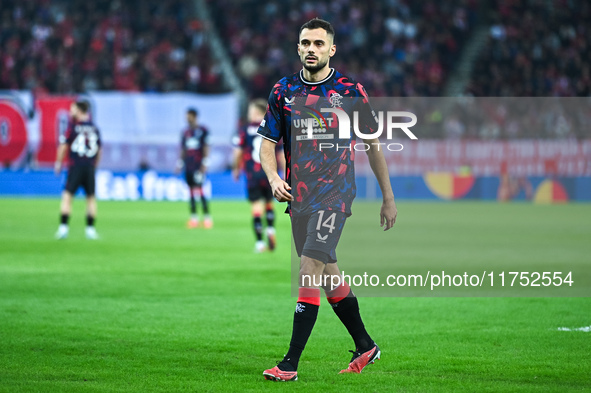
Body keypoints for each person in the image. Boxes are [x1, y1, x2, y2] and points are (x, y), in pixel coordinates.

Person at [258, 18, 397, 381]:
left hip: (335, 195)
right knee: (328, 275)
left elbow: (372, 145)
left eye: (319, 44)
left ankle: (289, 364)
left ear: (331, 49)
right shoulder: (283, 91)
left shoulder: (350, 92)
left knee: (307, 269)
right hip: (298, 197)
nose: (311, 49)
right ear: (298, 47)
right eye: (305, 43)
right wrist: (273, 177)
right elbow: (267, 143)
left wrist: (388, 197)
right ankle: (366, 345)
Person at [232, 99, 284, 253]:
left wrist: (236, 168)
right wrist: (286, 173)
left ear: (256, 112)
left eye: (250, 111)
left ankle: (260, 243)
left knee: (256, 207)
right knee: (269, 203)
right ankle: (271, 230)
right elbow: (281, 154)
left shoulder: (244, 130)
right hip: (270, 173)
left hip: (252, 174)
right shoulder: (273, 128)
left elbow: (238, 152)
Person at [54, 101, 102, 240]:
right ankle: (90, 230)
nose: (70, 112)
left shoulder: (72, 127)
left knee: (67, 197)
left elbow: (63, 146)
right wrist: (95, 166)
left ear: (80, 111)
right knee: (91, 199)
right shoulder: (94, 128)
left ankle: (63, 228)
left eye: (73, 109)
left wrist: (58, 163)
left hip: (75, 166)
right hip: (89, 167)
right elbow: (99, 150)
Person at [177, 108, 212, 229]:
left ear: (194, 116)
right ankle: (194, 219)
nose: (187, 118)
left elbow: (206, 147)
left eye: (189, 116)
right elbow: (183, 149)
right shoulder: (185, 132)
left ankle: (207, 218)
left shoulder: (203, 130)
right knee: (191, 191)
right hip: (188, 165)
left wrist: (205, 163)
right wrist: (180, 163)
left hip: (198, 166)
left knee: (200, 190)